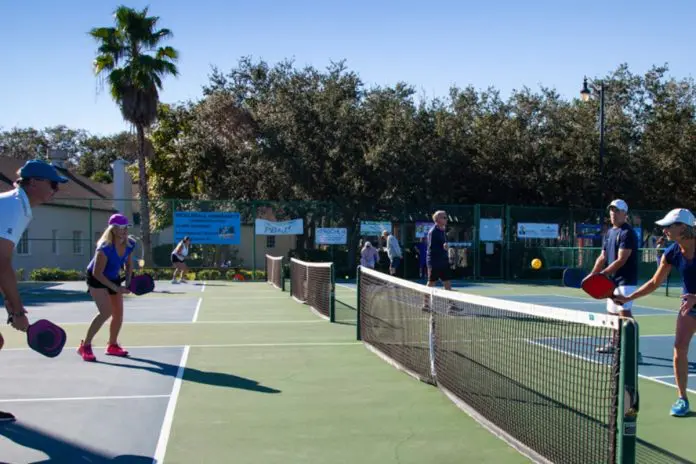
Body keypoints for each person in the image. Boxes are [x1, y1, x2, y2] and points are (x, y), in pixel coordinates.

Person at [0, 159, 69, 422]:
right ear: (34, 182)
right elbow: (2, 261)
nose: (56, 190)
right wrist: (17, 310)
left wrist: (9, 299)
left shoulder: (18, 206)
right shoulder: (14, 206)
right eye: (53, 184)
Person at [614, 208, 696, 417]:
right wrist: (628, 298)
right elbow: (654, 283)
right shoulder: (672, 253)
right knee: (679, 348)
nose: (665, 230)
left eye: (670, 226)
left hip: (693, 301)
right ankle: (682, 398)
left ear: (683, 228)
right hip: (690, 308)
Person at [589, 199, 642, 363]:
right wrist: (592, 275)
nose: (613, 213)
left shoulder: (627, 233)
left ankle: (634, 351)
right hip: (611, 281)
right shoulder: (610, 232)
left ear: (624, 214)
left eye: (617, 210)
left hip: (625, 281)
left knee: (624, 314)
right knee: (612, 314)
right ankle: (614, 343)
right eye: (611, 210)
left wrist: (602, 274)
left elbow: (622, 259)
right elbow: (603, 256)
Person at [77, 214, 135, 362]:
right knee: (106, 312)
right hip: (96, 278)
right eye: (120, 228)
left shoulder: (129, 244)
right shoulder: (104, 248)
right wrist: (116, 288)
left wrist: (128, 283)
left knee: (118, 314)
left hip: (112, 277)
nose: (124, 231)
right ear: (113, 229)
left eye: (126, 227)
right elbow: (97, 273)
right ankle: (85, 346)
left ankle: (112, 345)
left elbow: (128, 265)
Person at [427, 210, 452, 291]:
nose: (446, 219)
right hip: (434, 262)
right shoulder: (433, 232)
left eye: (446, 217)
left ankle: (450, 303)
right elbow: (431, 248)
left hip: (443, 261)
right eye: (444, 217)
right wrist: (443, 247)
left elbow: (443, 244)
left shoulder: (443, 230)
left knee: (447, 282)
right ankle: (426, 303)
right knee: (431, 283)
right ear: (438, 219)